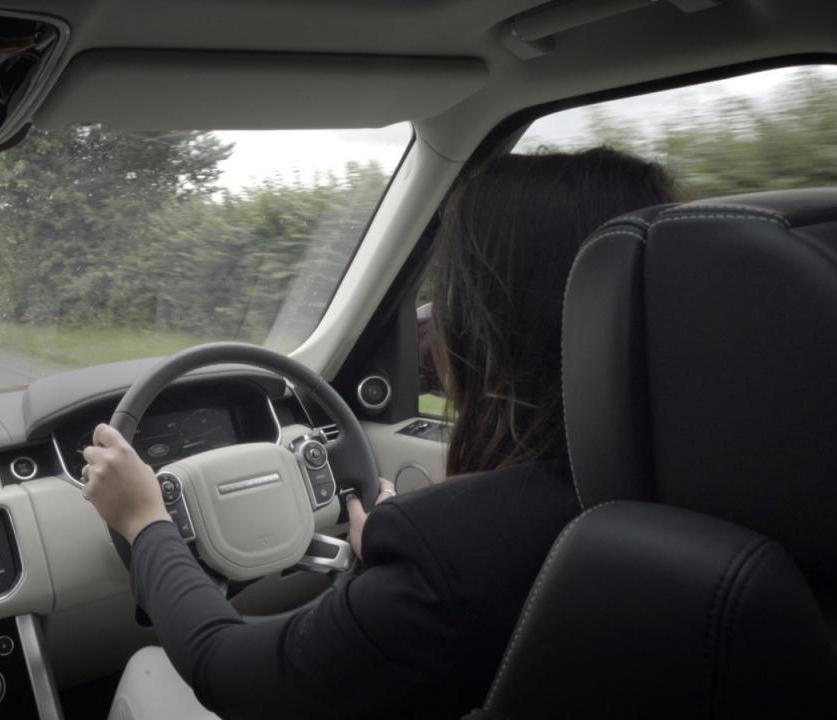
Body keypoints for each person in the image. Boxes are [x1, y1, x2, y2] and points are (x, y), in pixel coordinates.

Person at [81, 147, 683, 720]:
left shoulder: (452, 550)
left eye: (442, 296)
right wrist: (387, 570)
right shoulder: (700, 484)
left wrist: (146, 521)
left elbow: (229, 673)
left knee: (147, 669)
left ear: (486, 325)